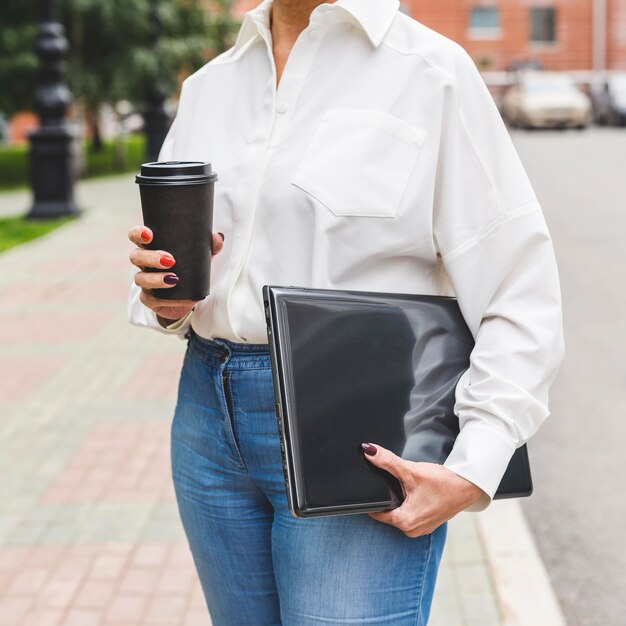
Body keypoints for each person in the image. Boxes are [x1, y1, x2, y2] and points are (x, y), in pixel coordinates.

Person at [127, 0, 565, 624]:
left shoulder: (431, 71)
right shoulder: (210, 85)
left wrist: (478, 462)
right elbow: (180, 261)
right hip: (208, 414)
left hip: (360, 429)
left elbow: (519, 285)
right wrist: (163, 296)